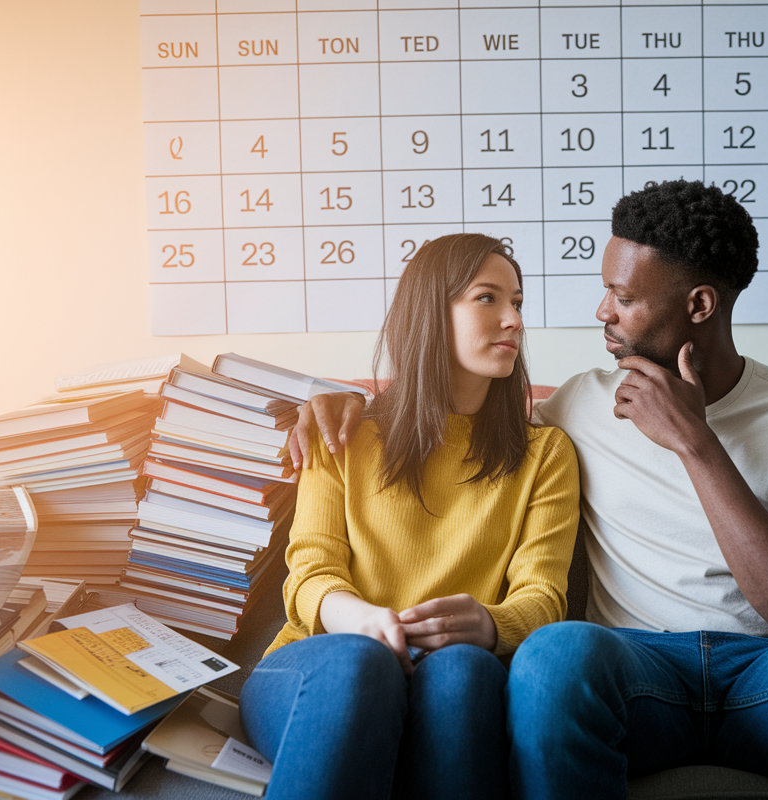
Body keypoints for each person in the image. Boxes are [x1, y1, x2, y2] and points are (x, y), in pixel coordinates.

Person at [294, 182, 768, 799]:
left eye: (623, 297)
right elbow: (459, 426)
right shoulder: (578, 405)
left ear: (699, 306)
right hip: (635, 676)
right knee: (555, 655)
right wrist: (345, 403)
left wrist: (695, 442)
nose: (602, 311)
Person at [241, 233, 580, 800]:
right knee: (362, 664)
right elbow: (309, 573)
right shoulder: (342, 435)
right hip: (322, 665)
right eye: (487, 298)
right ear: (430, 311)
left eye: (517, 302)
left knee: (463, 672)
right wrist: (364, 622)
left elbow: (543, 597)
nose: (514, 319)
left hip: (451, 672)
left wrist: (491, 624)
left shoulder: (545, 455)